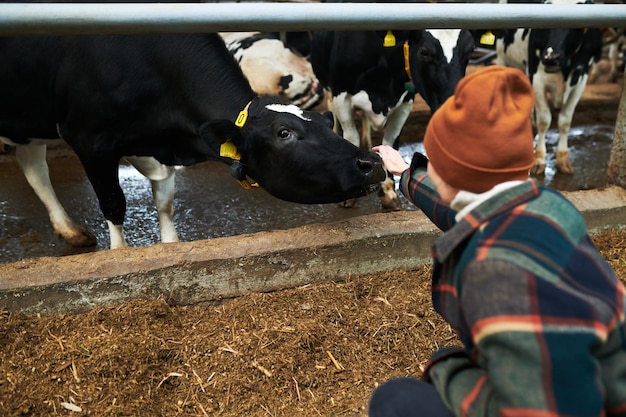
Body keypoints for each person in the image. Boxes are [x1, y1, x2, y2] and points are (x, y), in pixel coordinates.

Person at [368, 65, 626, 417]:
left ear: (450, 171)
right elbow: (464, 204)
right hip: (606, 373)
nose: (432, 167)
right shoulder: (546, 206)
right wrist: (405, 176)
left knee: (395, 400)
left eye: (435, 159)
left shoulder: (494, 272)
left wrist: (447, 369)